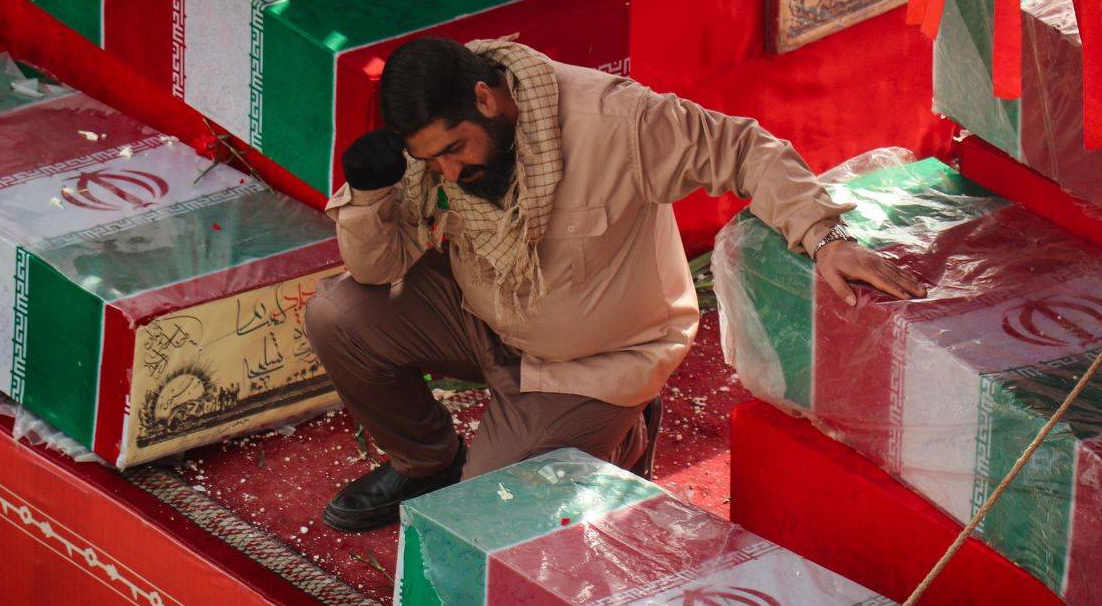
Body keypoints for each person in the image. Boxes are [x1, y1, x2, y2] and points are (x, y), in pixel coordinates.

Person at [305, 37, 925, 532]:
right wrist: (370, 196)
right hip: (487, 313)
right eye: (430, 160)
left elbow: (744, 150)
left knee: (483, 518)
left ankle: (622, 435)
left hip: (591, 363)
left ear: (486, 99)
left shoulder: (614, 119)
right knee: (338, 317)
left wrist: (826, 236)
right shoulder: (438, 149)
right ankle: (427, 463)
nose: (446, 172)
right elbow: (377, 271)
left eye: (454, 149)